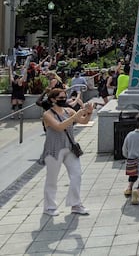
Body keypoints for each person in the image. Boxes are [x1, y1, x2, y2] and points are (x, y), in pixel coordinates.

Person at [41, 88, 93, 216]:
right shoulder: (48, 114)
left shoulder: (69, 111)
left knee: (77, 175)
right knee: (52, 179)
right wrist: (75, 115)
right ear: (53, 99)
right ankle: (49, 207)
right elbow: (59, 127)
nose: (64, 99)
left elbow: (84, 121)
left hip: (70, 147)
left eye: (64, 96)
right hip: (53, 149)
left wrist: (89, 113)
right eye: (60, 97)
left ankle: (75, 204)